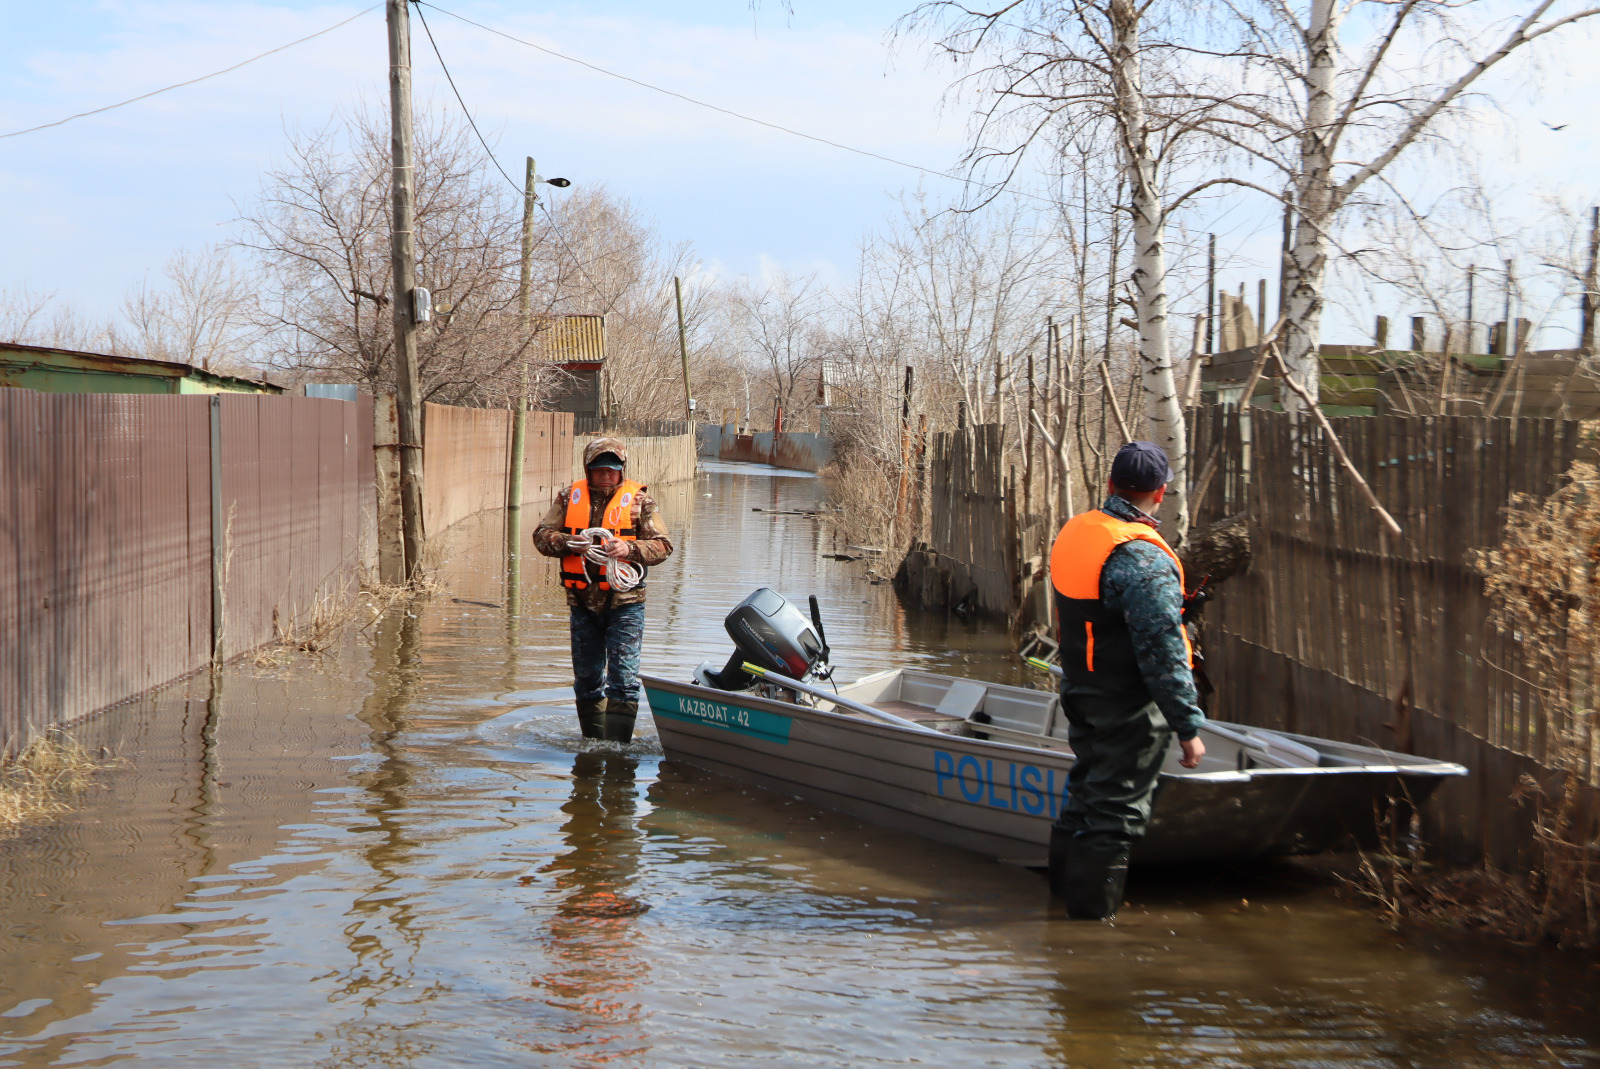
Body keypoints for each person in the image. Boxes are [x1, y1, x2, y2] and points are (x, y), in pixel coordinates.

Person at [1047, 440, 1207, 919]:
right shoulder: (1146, 560)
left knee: (1083, 802)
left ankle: (1058, 911)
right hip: (1127, 708)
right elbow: (1162, 653)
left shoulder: (1077, 532)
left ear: (1112, 484)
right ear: (1159, 494)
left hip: (1081, 692)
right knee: (1113, 818)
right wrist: (1188, 728)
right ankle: (1087, 942)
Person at [533, 437, 674, 742]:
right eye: (600, 469)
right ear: (589, 469)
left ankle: (618, 755)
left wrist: (629, 548)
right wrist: (567, 542)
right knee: (586, 681)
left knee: (623, 681)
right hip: (582, 603)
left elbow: (664, 546)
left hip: (626, 603)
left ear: (622, 470)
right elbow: (541, 536)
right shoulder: (569, 497)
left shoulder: (640, 502)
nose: (606, 474)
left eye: (612, 469)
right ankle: (593, 746)